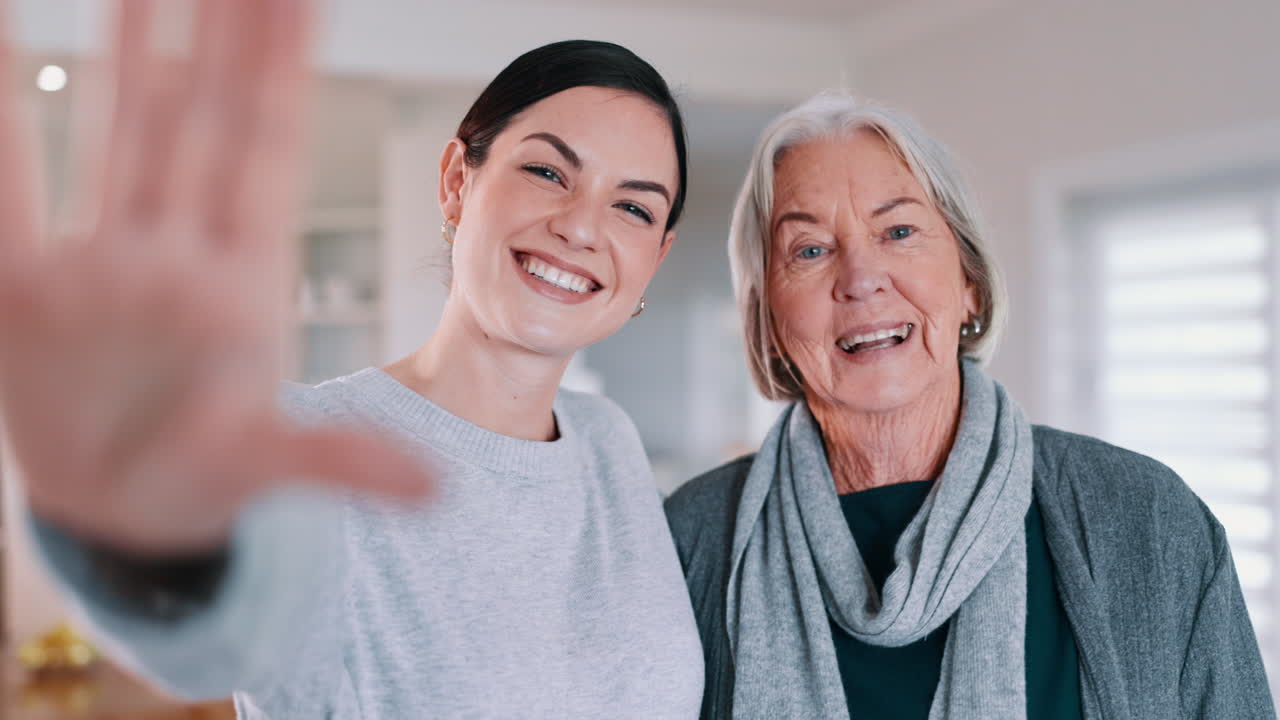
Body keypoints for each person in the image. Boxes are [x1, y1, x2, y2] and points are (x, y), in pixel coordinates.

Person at [0, 2, 703, 718]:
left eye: (635, 209)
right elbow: (208, 642)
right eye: (550, 172)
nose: (582, 226)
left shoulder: (609, 442)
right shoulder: (297, 445)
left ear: (656, 258)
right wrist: (140, 537)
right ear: (458, 180)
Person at [664, 92, 1276, 720]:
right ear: (766, 322)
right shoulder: (689, 541)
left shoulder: (1149, 519)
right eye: (810, 250)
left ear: (971, 286)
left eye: (898, 231)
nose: (860, 277)